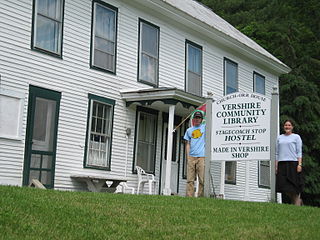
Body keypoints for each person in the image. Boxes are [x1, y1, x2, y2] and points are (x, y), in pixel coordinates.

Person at [276, 119, 303, 206]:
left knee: (293, 186)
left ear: (292, 127)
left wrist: (299, 164)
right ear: (283, 127)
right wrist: (276, 166)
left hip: (293, 163)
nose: (287, 127)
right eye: (286, 125)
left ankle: (297, 204)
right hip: (282, 164)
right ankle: (297, 201)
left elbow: (299, 152)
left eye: (289, 125)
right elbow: (276, 153)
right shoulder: (279, 137)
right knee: (283, 186)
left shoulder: (296, 137)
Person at [184, 111, 206, 197]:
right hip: (191, 157)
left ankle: (201, 197)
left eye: (199, 118)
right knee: (190, 179)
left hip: (202, 157)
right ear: (193, 119)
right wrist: (188, 156)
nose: (197, 119)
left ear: (201, 119)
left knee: (202, 179)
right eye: (196, 118)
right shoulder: (189, 130)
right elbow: (187, 143)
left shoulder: (205, 128)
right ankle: (190, 197)